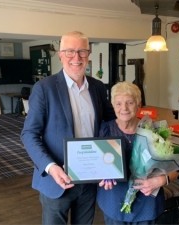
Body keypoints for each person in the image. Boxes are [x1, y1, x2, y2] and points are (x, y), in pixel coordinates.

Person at [21, 31, 115, 225]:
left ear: (88, 54)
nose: (76, 57)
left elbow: (109, 125)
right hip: (58, 180)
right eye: (70, 51)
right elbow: (29, 134)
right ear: (60, 54)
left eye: (82, 51)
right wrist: (51, 167)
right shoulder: (44, 88)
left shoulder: (98, 87)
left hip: (90, 178)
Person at [97, 81, 179, 225]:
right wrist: (101, 175)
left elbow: (177, 169)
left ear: (139, 105)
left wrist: (160, 181)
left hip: (147, 205)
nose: (124, 108)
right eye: (118, 103)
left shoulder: (156, 130)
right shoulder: (104, 130)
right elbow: (95, 165)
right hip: (114, 204)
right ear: (113, 105)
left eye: (130, 102)